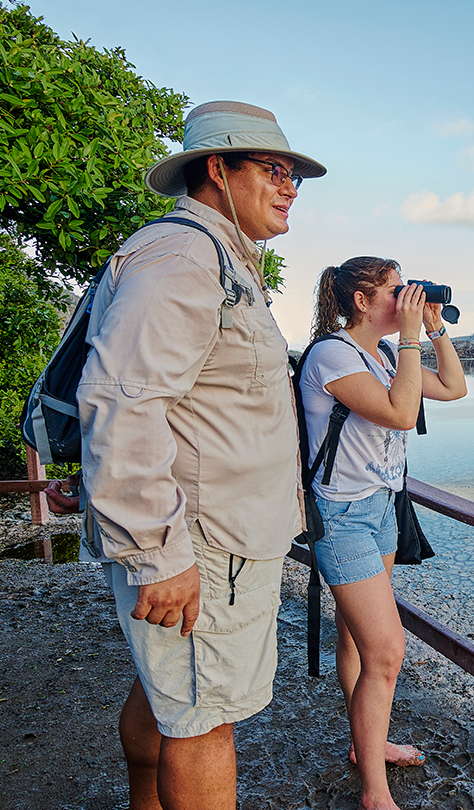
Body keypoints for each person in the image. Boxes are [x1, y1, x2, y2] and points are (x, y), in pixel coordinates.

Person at [78, 100, 326, 810]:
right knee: (201, 718)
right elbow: (124, 401)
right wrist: (159, 555)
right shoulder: (184, 254)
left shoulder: (220, 258)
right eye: (273, 169)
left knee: (170, 694)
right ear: (217, 169)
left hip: (209, 541)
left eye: (294, 174)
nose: (289, 187)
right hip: (200, 547)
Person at [300, 258, 467, 810]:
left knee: (358, 641)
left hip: (383, 509)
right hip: (342, 516)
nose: (405, 297)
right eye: (395, 290)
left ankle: (365, 745)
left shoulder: (388, 353)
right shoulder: (331, 354)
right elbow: (400, 413)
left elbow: (455, 388)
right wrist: (415, 334)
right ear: (362, 302)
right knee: (388, 652)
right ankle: (375, 792)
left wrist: (435, 328)